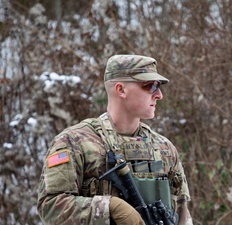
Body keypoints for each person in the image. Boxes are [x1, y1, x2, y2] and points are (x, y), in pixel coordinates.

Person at [37, 54, 193, 225]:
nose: (159, 95)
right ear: (121, 90)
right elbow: (50, 206)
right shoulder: (74, 142)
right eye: (151, 86)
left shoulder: (164, 148)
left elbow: (182, 213)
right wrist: (109, 207)